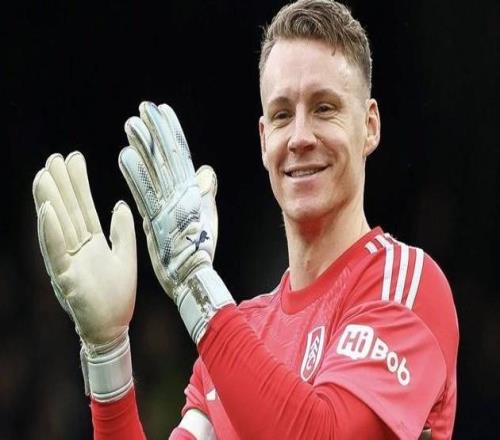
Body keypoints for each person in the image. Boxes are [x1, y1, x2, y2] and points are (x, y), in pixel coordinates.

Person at [32, 0, 458, 438]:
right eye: (282, 115)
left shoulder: (405, 285)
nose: (300, 137)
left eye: (324, 108)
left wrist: (193, 280)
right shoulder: (237, 335)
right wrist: (108, 354)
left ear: (369, 126)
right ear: (263, 138)